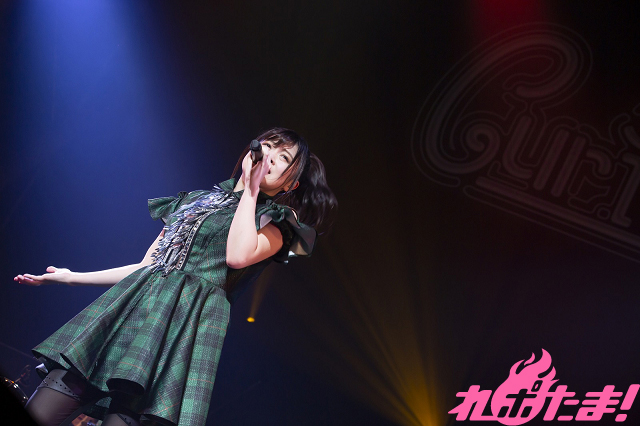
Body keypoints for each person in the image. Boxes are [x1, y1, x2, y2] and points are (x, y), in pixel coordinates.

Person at [14, 128, 337, 426]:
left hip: (175, 333)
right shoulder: (195, 201)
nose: (270, 156)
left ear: (289, 185)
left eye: (283, 157)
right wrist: (70, 277)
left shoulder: (276, 225)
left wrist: (251, 192)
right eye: (267, 146)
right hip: (130, 314)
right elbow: (148, 266)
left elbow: (237, 257)